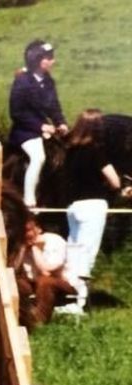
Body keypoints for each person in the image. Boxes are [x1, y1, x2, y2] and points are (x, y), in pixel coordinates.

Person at [56, 109, 124, 315]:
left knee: (74, 251)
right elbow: (115, 181)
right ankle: (78, 302)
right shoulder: (96, 151)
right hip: (94, 206)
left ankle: (67, 297)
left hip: (74, 207)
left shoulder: (70, 152)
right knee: (87, 254)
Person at [9, 39, 67, 208]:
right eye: (48, 58)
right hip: (24, 131)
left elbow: (54, 106)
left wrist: (61, 122)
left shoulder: (49, 81)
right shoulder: (22, 82)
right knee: (38, 157)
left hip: (45, 130)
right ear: (37, 60)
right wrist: (40, 126)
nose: (52, 61)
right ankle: (29, 199)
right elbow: (16, 113)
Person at [13, 217, 74, 326]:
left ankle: (39, 322)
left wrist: (35, 249)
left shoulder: (55, 241)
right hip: (34, 282)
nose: (26, 234)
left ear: (38, 229)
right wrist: (22, 249)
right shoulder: (23, 245)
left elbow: (47, 271)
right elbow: (14, 270)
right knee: (17, 284)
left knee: (45, 281)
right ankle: (20, 318)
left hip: (61, 282)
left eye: (28, 230)